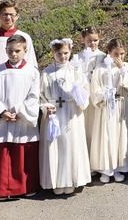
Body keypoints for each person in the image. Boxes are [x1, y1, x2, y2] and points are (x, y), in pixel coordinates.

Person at [0, 34, 40, 200]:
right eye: (10, 51)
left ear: (25, 50)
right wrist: (2, 112)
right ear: (5, 50)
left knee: (24, 156)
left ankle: (26, 187)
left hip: (23, 121)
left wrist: (21, 112)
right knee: (5, 156)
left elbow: (34, 96)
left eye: (18, 51)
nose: (14, 54)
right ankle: (5, 190)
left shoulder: (32, 72)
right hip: (4, 119)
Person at [38, 38, 91, 195]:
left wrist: (78, 93)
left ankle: (72, 180)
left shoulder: (76, 71)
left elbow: (85, 92)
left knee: (71, 145)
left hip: (71, 113)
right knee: (57, 146)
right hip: (54, 114)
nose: (63, 57)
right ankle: (56, 181)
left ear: (70, 51)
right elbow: (40, 96)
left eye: (66, 53)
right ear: (53, 53)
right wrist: (46, 106)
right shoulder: (47, 72)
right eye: (59, 53)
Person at [89, 39, 128, 183]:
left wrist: (123, 70)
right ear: (109, 53)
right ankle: (106, 169)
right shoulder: (101, 68)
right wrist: (103, 94)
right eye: (115, 53)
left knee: (120, 136)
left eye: (122, 54)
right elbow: (95, 89)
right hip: (106, 106)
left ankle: (118, 168)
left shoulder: (126, 66)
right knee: (107, 135)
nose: (119, 57)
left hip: (121, 104)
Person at [0, 0, 37, 68]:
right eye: (5, 14)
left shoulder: (24, 37)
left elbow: (30, 63)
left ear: (17, 16)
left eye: (11, 15)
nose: (8, 18)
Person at [75, 26, 106, 149]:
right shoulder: (78, 57)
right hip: (84, 96)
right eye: (89, 40)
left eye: (95, 40)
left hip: (98, 96)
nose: (92, 43)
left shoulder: (103, 56)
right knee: (85, 126)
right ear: (83, 40)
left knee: (97, 127)